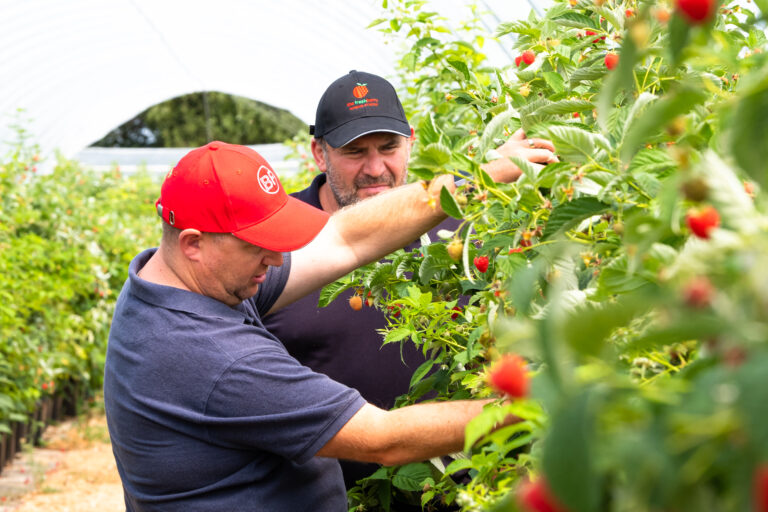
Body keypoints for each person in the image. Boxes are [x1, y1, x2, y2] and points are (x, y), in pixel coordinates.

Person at [103, 138, 537, 511]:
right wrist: (539, 403)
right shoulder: (211, 356)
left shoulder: (170, 281)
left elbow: (344, 238)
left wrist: (476, 177)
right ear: (194, 243)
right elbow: (383, 438)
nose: (275, 260)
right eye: (259, 246)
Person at [263, 70, 558, 491]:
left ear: (411, 142)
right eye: (354, 151)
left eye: (388, 148)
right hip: (325, 497)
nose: (375, 168)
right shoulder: (273, 244)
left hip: (452, 488)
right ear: (318, 153)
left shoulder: (456, 232)